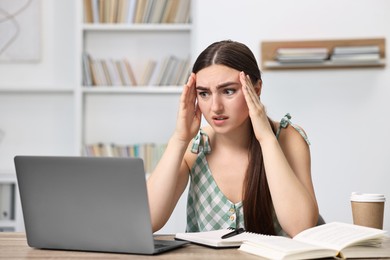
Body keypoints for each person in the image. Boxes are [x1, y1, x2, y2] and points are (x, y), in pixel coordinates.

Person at [147, 40, 319, 237]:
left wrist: (266, 138)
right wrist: (179, 139)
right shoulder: (195, 147)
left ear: (256, 89)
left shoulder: (288, 139)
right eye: (204, 93)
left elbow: (302, 228)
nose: (215, 107)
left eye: (228, 91)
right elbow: (148, 220)